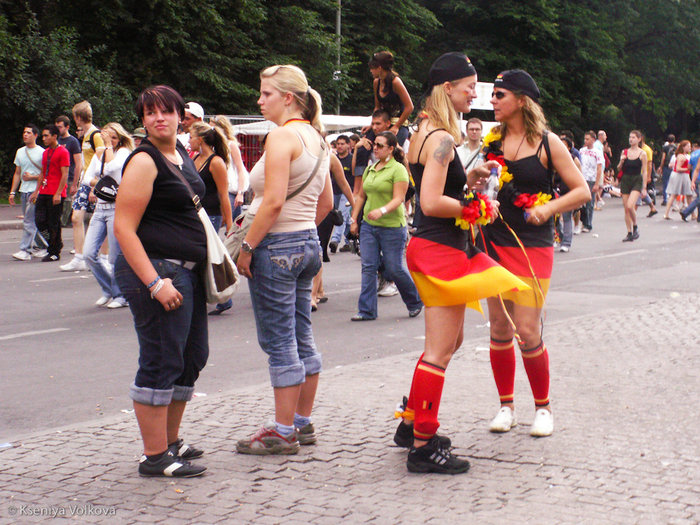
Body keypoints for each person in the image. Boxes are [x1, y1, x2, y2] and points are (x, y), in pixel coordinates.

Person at [393, 53, 529, 475]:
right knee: (439, 351)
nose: (477, 93)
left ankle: (413, 422)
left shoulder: (424, 132)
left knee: (446, 345)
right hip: (440, 249)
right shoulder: (444, 139)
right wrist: (474, 207)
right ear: (447, 88)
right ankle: (423, 443)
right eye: (470, 86)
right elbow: (431, 202)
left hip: (434, 247)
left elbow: (431, 188)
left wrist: (466, 186)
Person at [482, 70, 589, 437]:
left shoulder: (548, 143)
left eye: (500, 95)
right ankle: (506, 406)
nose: (493, 101)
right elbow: (484, 184)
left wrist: (547, 209)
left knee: (526, 330)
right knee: (498, 326)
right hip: (493, 240)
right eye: (493, 95)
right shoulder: (491, 144)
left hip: (533, 245)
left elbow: (581, 191)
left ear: (522, 101)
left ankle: (543, 409)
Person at [235, 64, 332, 455]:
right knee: (301, 335)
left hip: (277, 246)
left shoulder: (281, 137)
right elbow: (325, 203)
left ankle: (282, 430)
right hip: (307, 242)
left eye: (266, 94)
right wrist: (303, 228)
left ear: (288, 98)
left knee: (280, 342)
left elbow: (272, 201)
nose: (260, 101)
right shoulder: (317, 138)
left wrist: (248, 247)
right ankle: (301, 423)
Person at [114, 85, 209, 478]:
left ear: (179, 115)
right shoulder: (145, 160)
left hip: (187, 271)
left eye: (165, 111)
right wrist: (154, 282)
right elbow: (123, 227)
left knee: (191, 357)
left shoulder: (180, 152)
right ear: (143, 121)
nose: (158, 118)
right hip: (158, 272)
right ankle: (154, 456)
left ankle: (170, 441)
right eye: (150, 113)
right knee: (160, 360)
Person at [349, 131, 422, 322]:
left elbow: (399, 198)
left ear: (391, 148)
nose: (375, 148)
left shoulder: (398, 169)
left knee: (394, 267)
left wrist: (381, 211)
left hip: (391, 226)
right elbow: (362, 196)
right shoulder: (370, 169)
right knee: (368, 267)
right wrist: (354, 219)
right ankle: (366, 310)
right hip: (369, 226)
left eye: (380, 146)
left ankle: (415, 301)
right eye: (375, 145)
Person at [82, 122, 133, 308]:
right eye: (107, 137)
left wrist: (108, 148)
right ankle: (109, 290)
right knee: (88, 254)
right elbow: (86, 177)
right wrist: (100, 181)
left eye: (114, 137)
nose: (110, 140)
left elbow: (112, 167)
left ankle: (121, 295)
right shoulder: (100, 154)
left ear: (120, 138)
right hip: (100, 209)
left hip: (116, 208)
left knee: (114, 257)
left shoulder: (124, 152)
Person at [189, 121, 234, 316]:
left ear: (200, 140)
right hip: (197, 213)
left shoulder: (216, 162)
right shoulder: (195, 158)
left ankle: (223, 295)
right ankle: (219, 296)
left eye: (191, 137)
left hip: (212, 214)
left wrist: (229, 222)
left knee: (208, 255)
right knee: (202, 255)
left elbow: (224, 195)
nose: (189, 140)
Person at [62, 101, 104, 272]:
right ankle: (79, 257)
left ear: (78, 117)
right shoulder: (86, 135)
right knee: (76, 218)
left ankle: (101, 257)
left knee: (100, 219)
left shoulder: (95, 135)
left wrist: (95, 186)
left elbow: (102, 160)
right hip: (85, 182)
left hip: (94, 183)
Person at [30, 125, 70, 262]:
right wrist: (36, 191)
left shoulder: (63, 152)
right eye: (43, 136)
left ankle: (54, 251)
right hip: (44, 191)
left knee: (54, 222)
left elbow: (65, 174)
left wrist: (58, 193)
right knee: (39, 220)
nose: (44, 138)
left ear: (54, 136)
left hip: (56, 192)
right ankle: (54, 242)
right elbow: (42, 172)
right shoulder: (46, 152)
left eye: (47, 135)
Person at [9, 124, 46, 261]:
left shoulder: (41, 152)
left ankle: (25, 250)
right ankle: (44, 246)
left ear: (35, 135)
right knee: (32, 221)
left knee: (28, 221)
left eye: (29, 133)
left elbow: (45, 174)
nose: (25, 135)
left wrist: (32, 177)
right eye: (24, 132)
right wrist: (13, 192)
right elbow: (17, 173)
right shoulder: (20, 152)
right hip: (23, 191)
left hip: (35, 191)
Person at [367, 51, 414, 145]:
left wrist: (396, 126)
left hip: (399, 123)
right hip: (383, 122)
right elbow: (377, 107)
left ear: (379, 68)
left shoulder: (396, 82)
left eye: (372, 68)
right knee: (363, 146)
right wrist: (372, 124)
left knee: (391, 148)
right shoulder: (376, 82)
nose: (370, 71)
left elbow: (410, 107)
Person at [209, 115, 249, 220]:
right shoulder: (211, 147)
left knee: (229, 223)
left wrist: (240, 193)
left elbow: (240, 169)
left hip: (230, 191)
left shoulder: (231, 145)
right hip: (216, 189)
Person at [616, 130, 648, 238]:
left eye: (634, 137)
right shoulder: (624, 152)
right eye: (630, 137)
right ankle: (629, 232)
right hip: (625, 180)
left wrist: (644, 187)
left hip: (636, 180)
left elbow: (645, 171)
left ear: (639, 139)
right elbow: (618, 168)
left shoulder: (642, 153)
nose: (631, 139)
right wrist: (621, 161)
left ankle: (635, 226)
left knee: (630, 206)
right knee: (626, 208)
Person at [55, 115, 83, 228]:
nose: (58, 129)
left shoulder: (73, 141)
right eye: (56, 127)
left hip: (69, 177)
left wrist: (75, 184)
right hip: (57, 177)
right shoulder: (56, 140)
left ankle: (63, 222)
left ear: (67, 127)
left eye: (60, 127)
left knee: (67, 202)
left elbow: (78, 164)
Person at [329, 135, 355, 253]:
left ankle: (335, 240)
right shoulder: (333, 159)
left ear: (348, 145)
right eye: (338, 144)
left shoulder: (351, 159)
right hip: (334, 191)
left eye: (342, 144)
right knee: (345, 219)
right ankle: (352, 240)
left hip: (347, 193)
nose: (339, 146)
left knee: (342, 216)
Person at [578, 131, 604, 232]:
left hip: (591, 179)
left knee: (589, 203)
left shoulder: (597, 152)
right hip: (582, 178)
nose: (586, 141)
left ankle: (588, 224)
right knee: (581, 203)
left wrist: (597, 183)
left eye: (588, 139)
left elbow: (599, 168)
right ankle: (583, 221)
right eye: (585, 139)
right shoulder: (582, 150)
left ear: (593, 140)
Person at [664, 140, 693, 220]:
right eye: (688, 146)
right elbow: (678, 168)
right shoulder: (681, 156)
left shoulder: (682, 155)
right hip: (680, 175)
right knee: (676, 194)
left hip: (682, 175)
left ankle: (693, 214)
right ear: (683, 147)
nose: (689, 148)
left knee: (688, 194)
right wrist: (687, 168)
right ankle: (666, 213)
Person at [680, 142, 700, 222]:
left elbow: (690, 167)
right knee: (699, 198)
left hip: (695, 177)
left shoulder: (693, 154)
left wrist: (693, 181)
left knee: (699, 197)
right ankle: (686, 212)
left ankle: (698, 217)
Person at [659, 134, 677, 205]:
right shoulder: (676, 147)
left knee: (665, 183)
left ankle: (665, 200)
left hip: (666, 166)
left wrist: (661, 166)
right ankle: (671, 200)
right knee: (672, 183)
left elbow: (663, 158)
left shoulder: (665, 148)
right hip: (674, 167)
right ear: (674, 140)